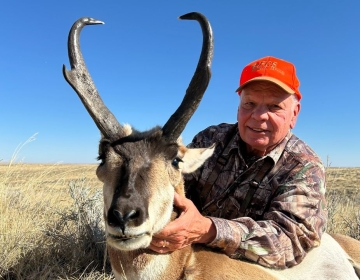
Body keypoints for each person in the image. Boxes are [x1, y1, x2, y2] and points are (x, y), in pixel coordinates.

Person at [149, 56, 328, 269]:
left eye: (274, 106)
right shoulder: (210, 139)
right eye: (250, 103)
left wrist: (208, 230)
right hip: (191, 253)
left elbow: (288, 243)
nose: (259, 116)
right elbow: (173, 189)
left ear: (294, 115)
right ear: (238, 107)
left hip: (249, 269)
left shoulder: (304, 167)